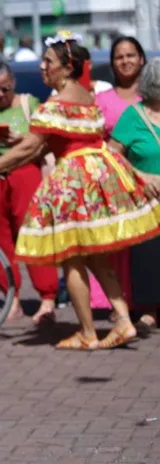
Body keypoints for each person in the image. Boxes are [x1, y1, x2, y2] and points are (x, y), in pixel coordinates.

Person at [0, 33, 160, 350]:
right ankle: (123, 320)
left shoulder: (55, 104)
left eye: (48, 62)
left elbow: (29, 147)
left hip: (73, 182)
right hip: (97, 177)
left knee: (71, 258)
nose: (43, 67)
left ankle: (87, 331)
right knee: (96, 256)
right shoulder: (86, 95)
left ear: (67, 67)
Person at [0, 62, 57, 325]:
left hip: (24, 171)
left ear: (13, 83)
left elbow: (44, 140)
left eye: (5, 89)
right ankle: (10, 298)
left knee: (33, 233)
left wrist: (21, 141)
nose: (1, 95)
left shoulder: (30, 103)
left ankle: (47, 297)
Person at [88, 36, 146, 313]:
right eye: (119, 57)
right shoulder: (101, 99)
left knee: (147, 247)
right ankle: (119, 304)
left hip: (150, 180)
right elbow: (93, 139)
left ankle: (149, 306)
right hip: (114, 182)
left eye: (130, 55)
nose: (125, 61)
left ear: (142, 58)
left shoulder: (152, 98)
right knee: (118, 244)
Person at [108, 58, 160, 331]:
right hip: (146, 199)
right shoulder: (134, 115)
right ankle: (150, 308)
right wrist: (141, 176)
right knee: (149, 253)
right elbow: (111, 153)